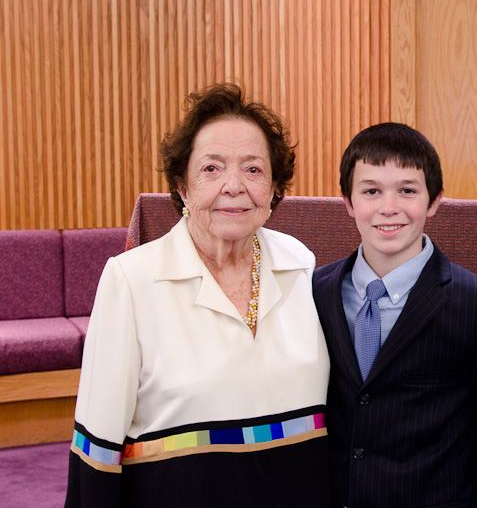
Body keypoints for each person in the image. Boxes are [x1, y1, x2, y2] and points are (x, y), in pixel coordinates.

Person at [65, 84, 330, 507]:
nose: (234, 185)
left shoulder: (298, 263)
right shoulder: (131, 280)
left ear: (274, 188)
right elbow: (97, 448)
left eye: (253, 169)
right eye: (211, 168)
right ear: (182, 187)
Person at [313, 122, 477, 507]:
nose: (389, 207)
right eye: (371, 191)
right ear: (348, 202)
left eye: (407, 190)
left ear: (434, 201)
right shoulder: (315, 291)